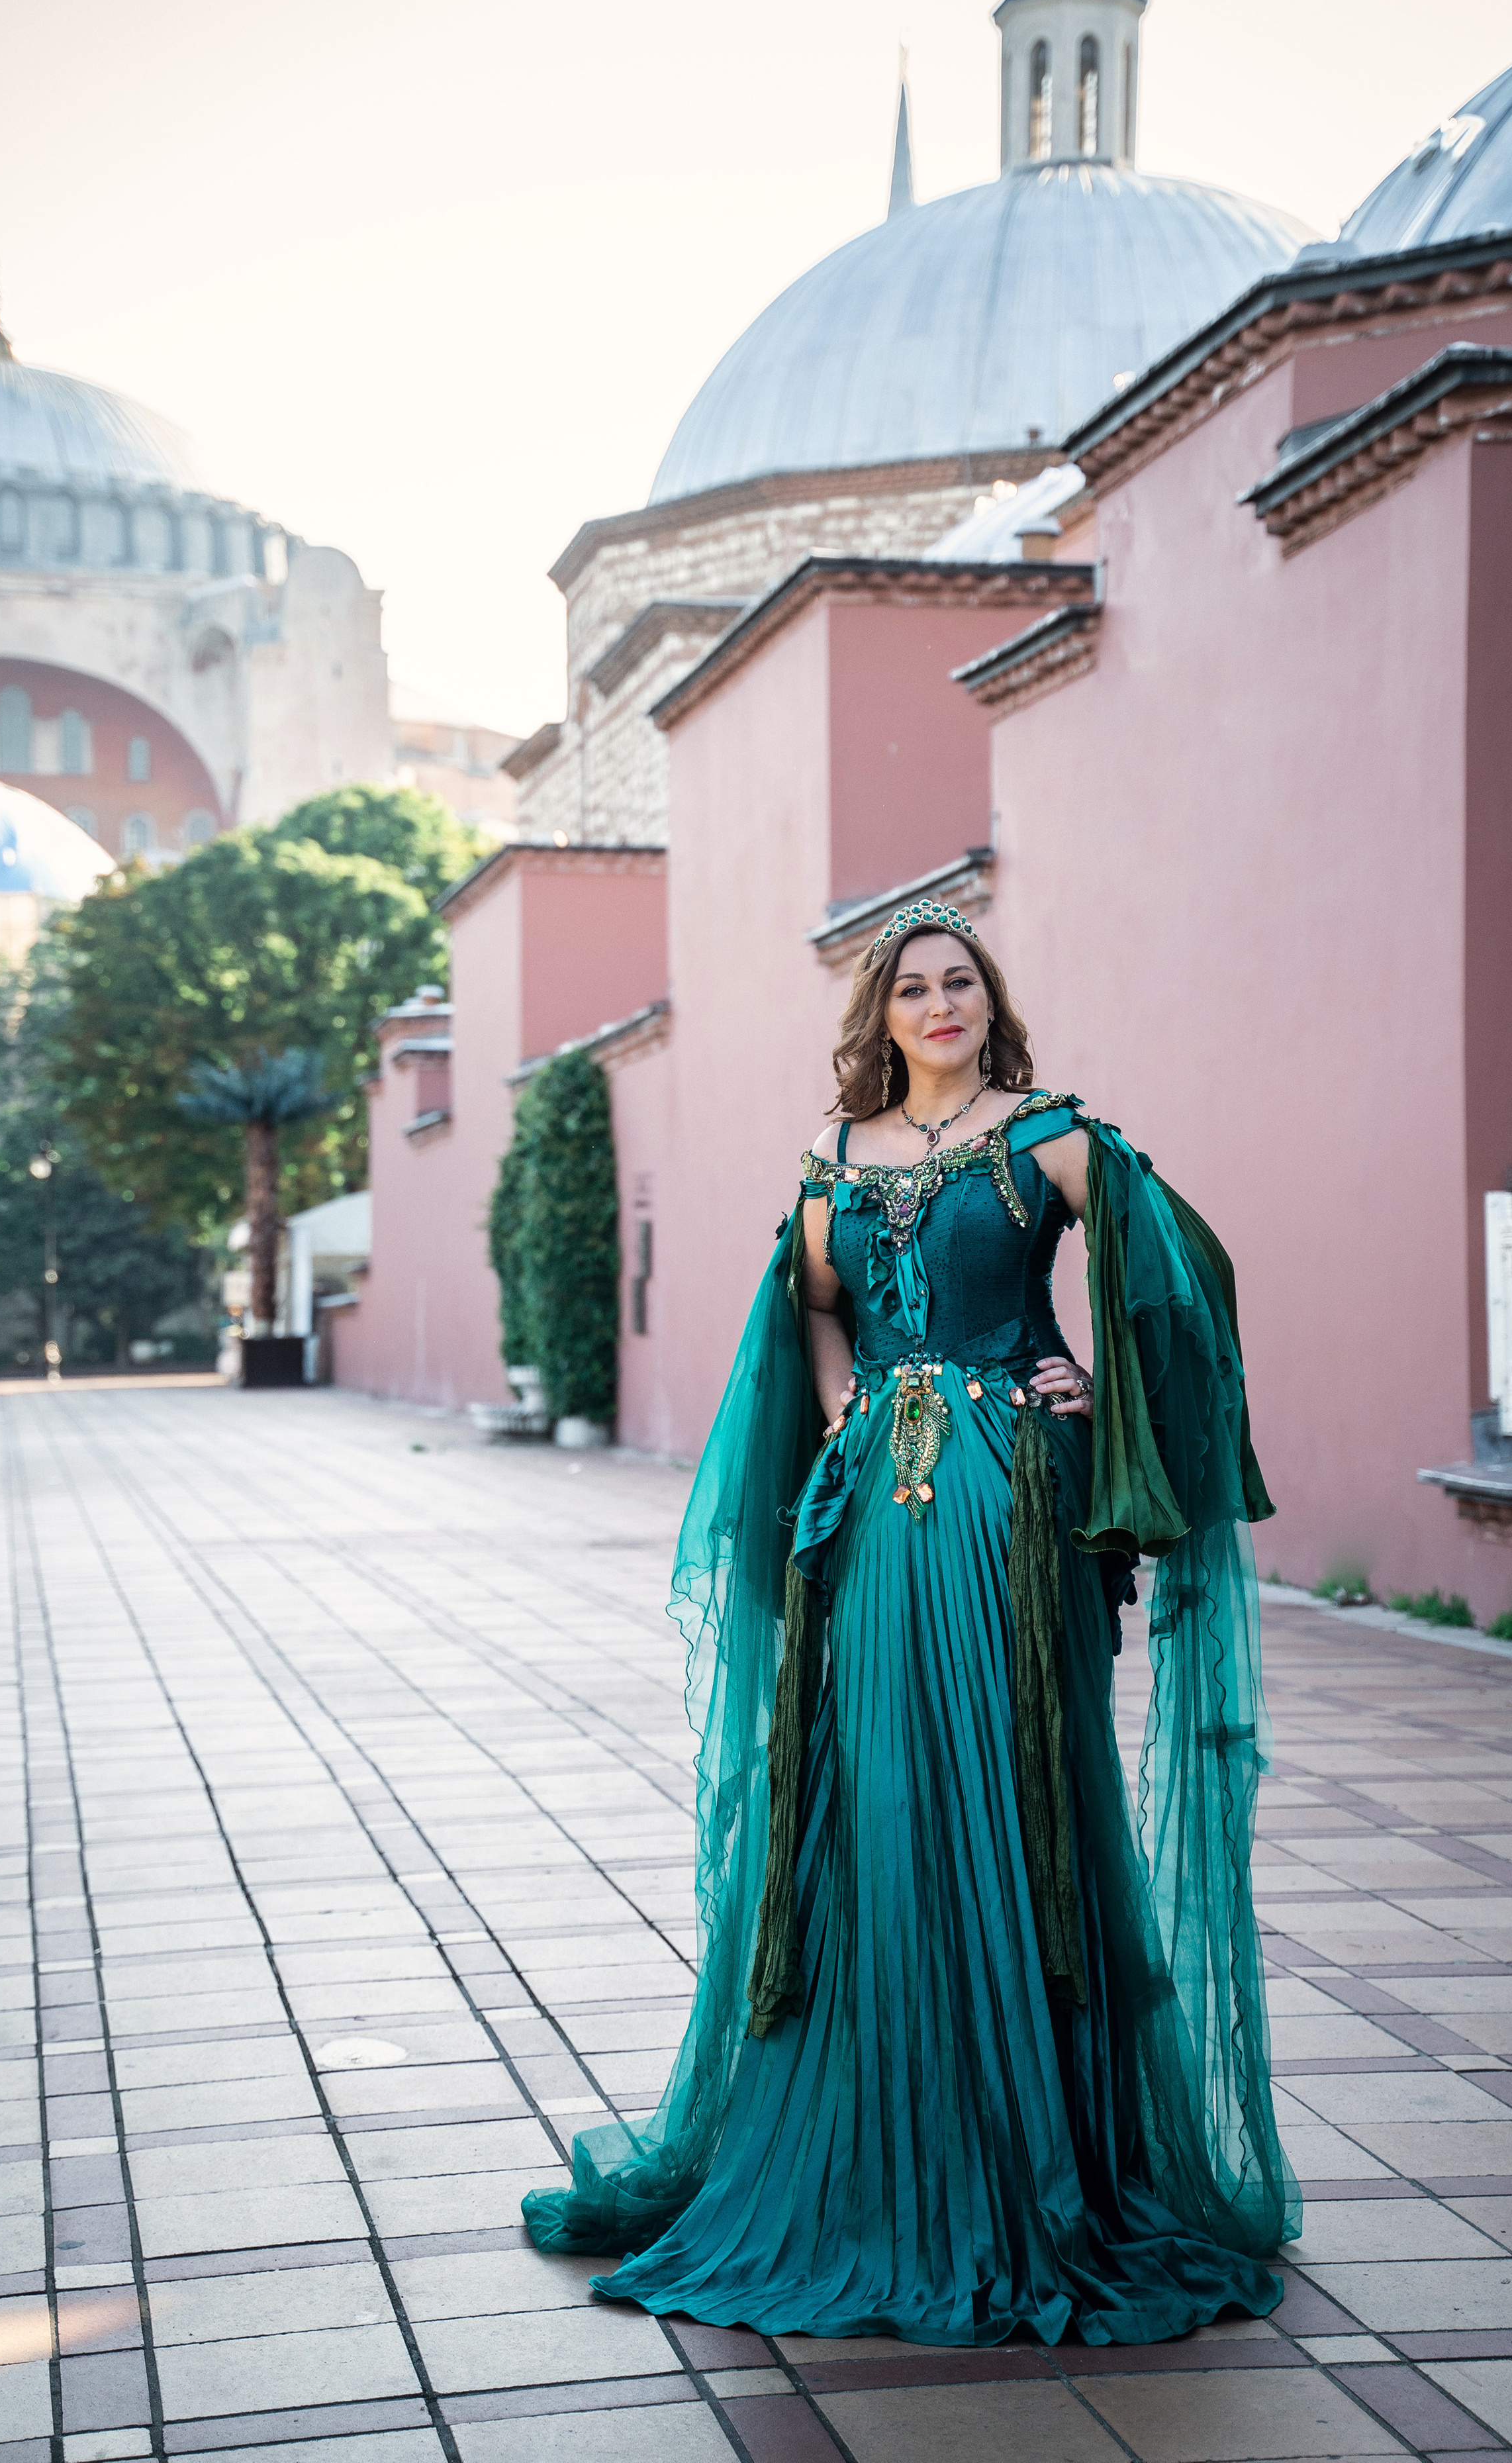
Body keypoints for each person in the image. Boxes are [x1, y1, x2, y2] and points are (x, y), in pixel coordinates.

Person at [524, 900, 1299, 2345]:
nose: (938, 1004)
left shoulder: (1045, 1135)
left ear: (986, 1003)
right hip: (877, 1506)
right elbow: (810, 1301)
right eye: (912, 988)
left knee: (1019, 1794)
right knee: (873, 1795)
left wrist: (1089, 1386)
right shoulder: (833, 1158)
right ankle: (872, 2152)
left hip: (1012, 1508)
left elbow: (1179, 1279)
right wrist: (838, 1405)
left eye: (960, 983)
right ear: (879, 1017)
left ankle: (1036, 2171)